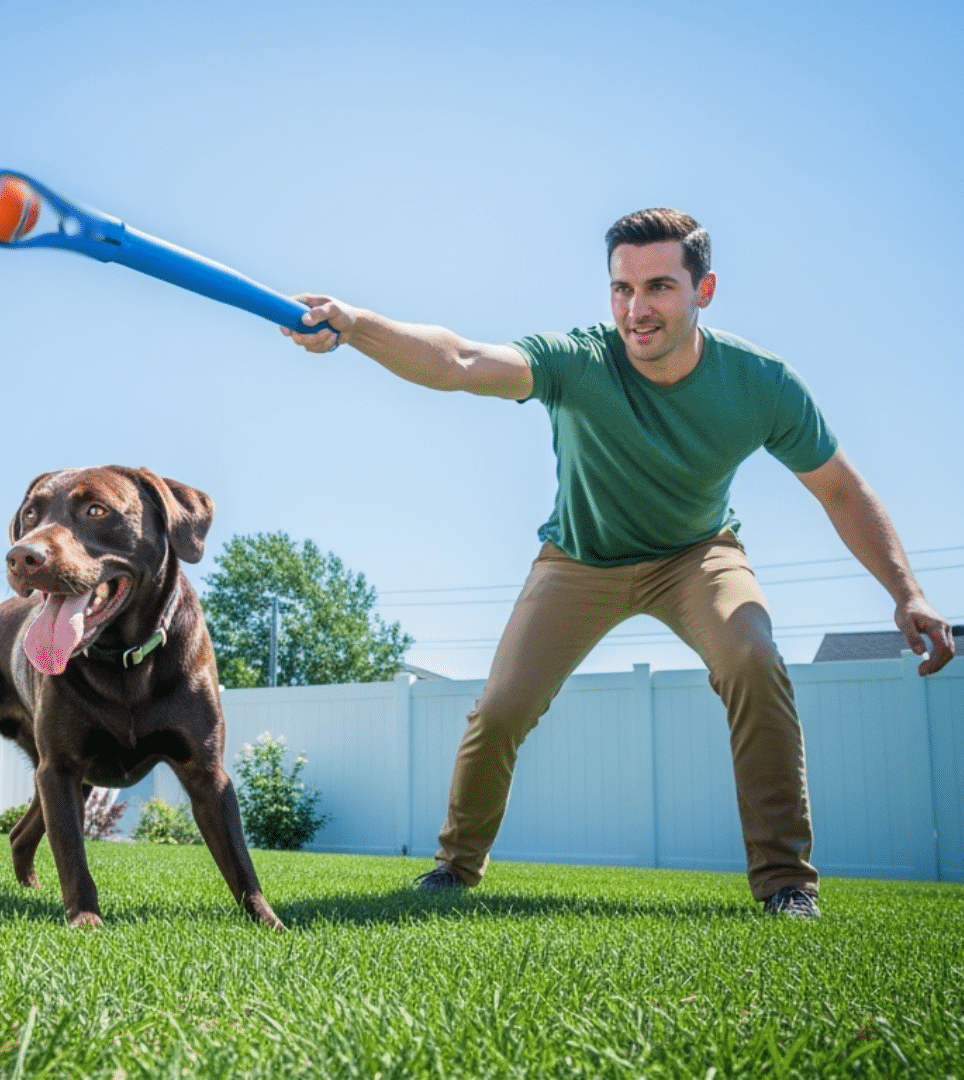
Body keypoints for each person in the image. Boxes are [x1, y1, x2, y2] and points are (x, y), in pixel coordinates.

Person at [283, 208, 954, 918]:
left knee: (753, 658)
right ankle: (455, 868)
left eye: (660, 287)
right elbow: (459, 361)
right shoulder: (578, 360)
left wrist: (906, 591)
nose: (637, 310)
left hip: (698, 555)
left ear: (705, 290)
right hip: (579, 557)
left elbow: (842, 488)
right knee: (503, 707)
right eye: (621, 289)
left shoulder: (760, 384)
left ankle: (787, 882)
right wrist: (355, 324)